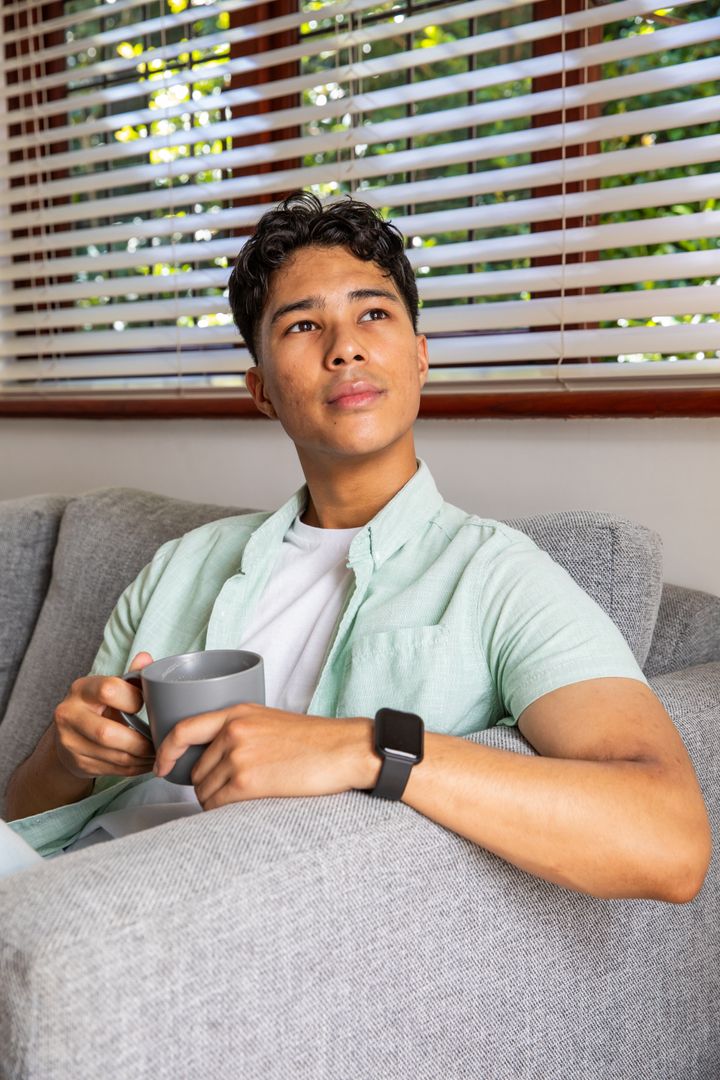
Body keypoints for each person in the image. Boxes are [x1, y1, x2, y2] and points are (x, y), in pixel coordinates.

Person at [2, 191, 711, 901]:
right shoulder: (178, 569)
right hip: (69, 896)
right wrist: (67, 756)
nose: (344, 346)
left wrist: (363, 748)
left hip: (209, 933)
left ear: (420, 356)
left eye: (373, 313)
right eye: (304, 325)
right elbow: (20, 824)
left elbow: (669, 840)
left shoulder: (497, 578)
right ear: (262, 393)